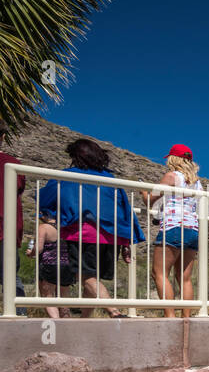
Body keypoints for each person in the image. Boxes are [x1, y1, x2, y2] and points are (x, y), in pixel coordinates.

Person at [36, 138, 143, 317]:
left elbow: (45, 200)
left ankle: (114, 311)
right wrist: (126, 242)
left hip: (83, 234)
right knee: (93, 279)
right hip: (112, 236)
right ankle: (85, 320)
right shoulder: (110, 180)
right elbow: (123, 211)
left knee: (85, 277)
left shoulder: (67, 176)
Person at [141, 144, 202, 317]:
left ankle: (170, 316)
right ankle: (186, 318)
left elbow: (151, 201)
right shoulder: (197, 183)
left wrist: (143, 192)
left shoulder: (171, 176)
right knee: (184, 277)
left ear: (173, 159)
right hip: (192, 229)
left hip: (174, 227)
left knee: (159, 273)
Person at [0, 122, 27, 300]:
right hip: (7, 228)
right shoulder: (12, 163)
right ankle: (20, 316)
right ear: (3, 137)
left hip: (6, 228)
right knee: (10, 277)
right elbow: (19, 188)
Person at [27, 219, 74, 317]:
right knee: (64, 298)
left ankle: (57, 324)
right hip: (67, 265)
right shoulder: (67, 226)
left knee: (47, 296)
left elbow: (38, 249)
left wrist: (31, 253)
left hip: (49, 265)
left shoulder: (44, 227)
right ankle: (67, 326)